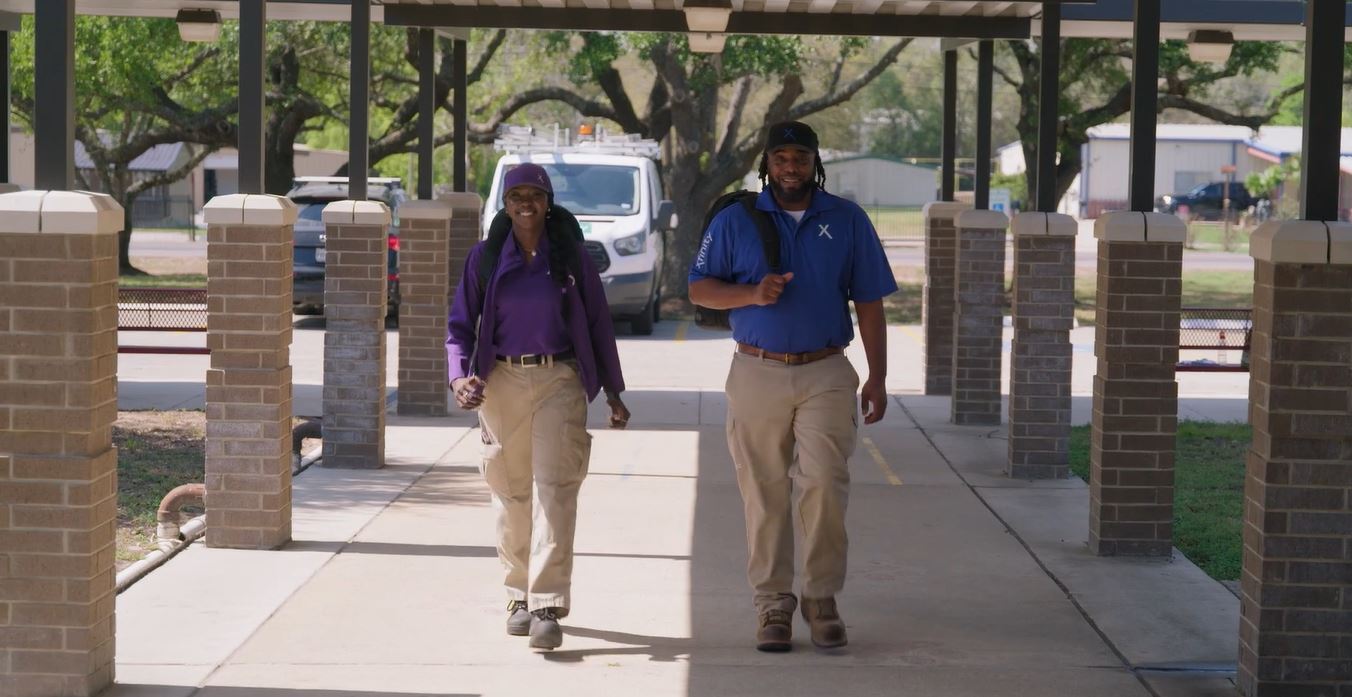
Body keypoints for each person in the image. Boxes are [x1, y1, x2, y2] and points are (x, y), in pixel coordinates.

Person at [688, 121, 896, 652]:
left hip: (827, 369)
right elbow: (700, 288)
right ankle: (773, 605)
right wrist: (752, 295)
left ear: (815, 161)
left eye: (799, 157)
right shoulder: (737, 219)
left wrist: (878, 375)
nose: (790, 167)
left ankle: (822, 598)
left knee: (825, 482)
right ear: (767, 163)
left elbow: (869, 303)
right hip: (756, 369)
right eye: (780, 157)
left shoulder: (846, 219)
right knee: (764, 491)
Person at [446, 163, 631, 651]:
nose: (525, 203)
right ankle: (517, 596)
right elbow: (459, 329)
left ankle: (547, 602)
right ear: (505, 205)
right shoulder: (484, 259)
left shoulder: (570, 257)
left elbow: (598, 325)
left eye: (534, 195)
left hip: (559, 378)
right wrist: (459, 376)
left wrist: (613, 390)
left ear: (549, 203)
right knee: (511, 492)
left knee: (556, 488)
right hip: (501, 380)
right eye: (515, 196)